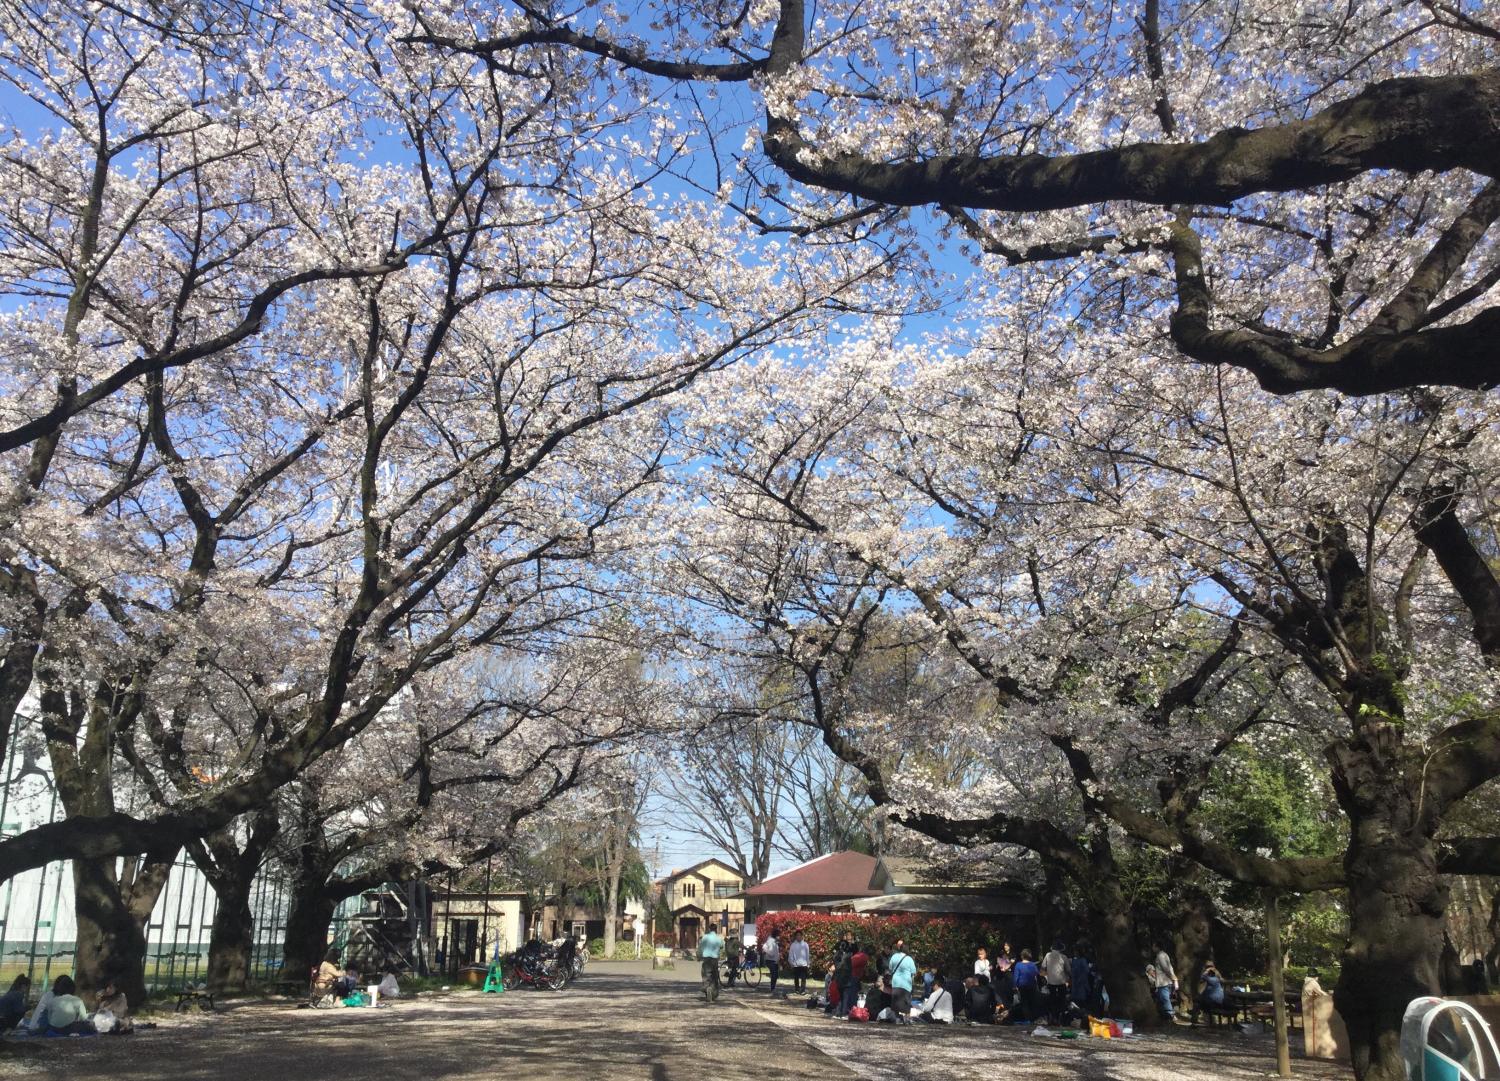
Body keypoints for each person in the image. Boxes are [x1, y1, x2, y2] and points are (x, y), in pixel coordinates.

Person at [887, 938, 917, 1026]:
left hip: (896, 982)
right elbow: (913, 972)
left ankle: (896, 1019)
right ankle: (907, 1019)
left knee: (895, 1001)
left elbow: (890, 968)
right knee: (907, 1001)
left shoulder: (894, 956)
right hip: (906, 983)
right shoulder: (909, 959)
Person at [1041, 940, 1070, 1023]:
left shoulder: (1047, 955)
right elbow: (1068, 970)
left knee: (1052, 1000)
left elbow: (1043, 967)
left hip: (1051, 982)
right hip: (1061, 982)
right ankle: (1061, 1018)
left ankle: (1053, 1017)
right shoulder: (1064, 957)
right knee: (1062, 1000)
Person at [839, 942, 869, 1019]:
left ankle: (845, 1011)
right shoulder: (863, 956)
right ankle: (849, 1011)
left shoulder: (855, 956)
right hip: (852, 976)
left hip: (848, 976)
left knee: (848, 995)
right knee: (850, 995)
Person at [1149, 943, 1178, 1021]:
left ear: (1157, 947)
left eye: (1153, 946)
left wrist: (1174, 978)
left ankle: (1172, 1016)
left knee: (1165, 999)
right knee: (1162, 999)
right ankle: (1164, 1017)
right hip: (1166, 982)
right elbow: (1170, 967)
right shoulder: (1165, 955)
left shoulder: (1160, 956)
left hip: (1163, 982)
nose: (1152, 948)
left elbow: (1166, 968)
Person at [1013, 948, 1042, 1021]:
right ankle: (1033, 1018)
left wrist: (1014, 986)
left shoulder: (1018, 965)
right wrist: (1040, 985)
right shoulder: (1033, 965)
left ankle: (1027, 1018)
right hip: (1032, 985)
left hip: (1022, 986)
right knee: (1032, 1001)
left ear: (1022, 956)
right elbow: (1037, 975)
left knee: (1024, 1002)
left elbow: (1016, 977)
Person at [698, 925, 725, 1003]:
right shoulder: (718, 938)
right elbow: (722, 947)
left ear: (709, 929)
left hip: (706, 959)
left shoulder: (705, 937)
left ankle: (707, 988)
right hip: (715, 959)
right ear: (716, 929)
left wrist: (699, 956)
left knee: (706, 975)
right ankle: (713, 992)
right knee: (714, 976)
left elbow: (701, 947)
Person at [762, 930, 782, 995]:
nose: (779, 937)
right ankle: (772, 988)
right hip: (771, 960)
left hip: (774, 960)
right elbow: (770, 950)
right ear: (776, 935)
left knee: (775, 975)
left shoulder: (774, 941)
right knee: (774, 974)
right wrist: (771, 954)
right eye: (778, 935)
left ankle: (773, 988)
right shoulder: (771, 941)